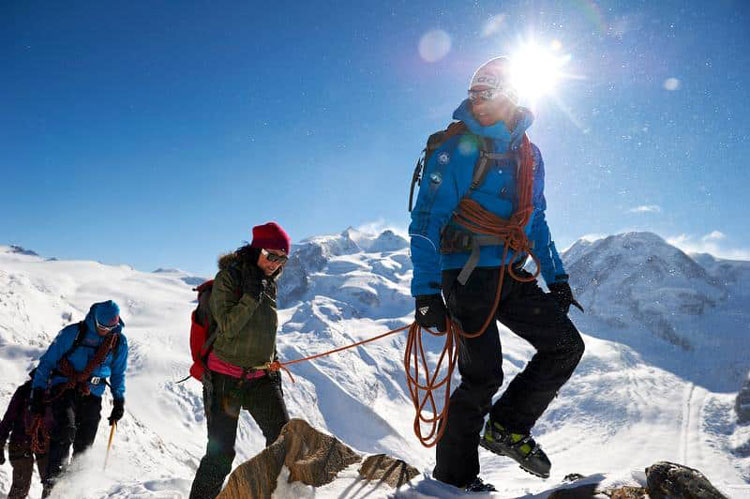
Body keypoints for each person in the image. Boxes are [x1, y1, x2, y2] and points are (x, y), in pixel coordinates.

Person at [408, 56, 585, 491]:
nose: (478, 101)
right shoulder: (457, 148)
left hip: (509, 270)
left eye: (487, 93)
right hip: (466, 275)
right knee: (482, 376)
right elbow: (426, 222)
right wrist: (427, 292)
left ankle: (507, 427)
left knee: (565, 346)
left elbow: (534, 218)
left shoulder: (529, 153)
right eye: (473, 93)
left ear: (510, 97)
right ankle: (454, 480)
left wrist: (557, 277)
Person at [190, 221, 292, 499]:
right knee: (220, 456)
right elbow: (228, 327)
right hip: (225, 379)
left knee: (285, 443)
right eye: (272, 255)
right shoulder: (229, 279)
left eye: (283, 258)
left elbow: (264, 330)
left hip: (261, 377)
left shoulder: (268, 282)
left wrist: (272, 362)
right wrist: (250, 295)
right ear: (256, 250)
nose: (276, 263)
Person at [30, 300, 127, 496]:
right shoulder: (73, 333)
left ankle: (74, 490)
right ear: (94, 319)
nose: (104, 331)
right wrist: (37, 393)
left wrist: (119, 400)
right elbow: (47, 363)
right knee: (65, 430)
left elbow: (118, 373)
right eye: (101, 327)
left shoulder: (118, 341)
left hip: (93, 394)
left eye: (110, 328)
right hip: (65, 387)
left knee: (85, 444)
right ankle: (52, 486)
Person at [0, 369, 50, 499]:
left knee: (48, 483)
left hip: (29, 442)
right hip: (30, 442)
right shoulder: (51, 391)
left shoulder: (25, 391)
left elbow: (8, 419)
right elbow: (8, 419)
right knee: (49, 483)